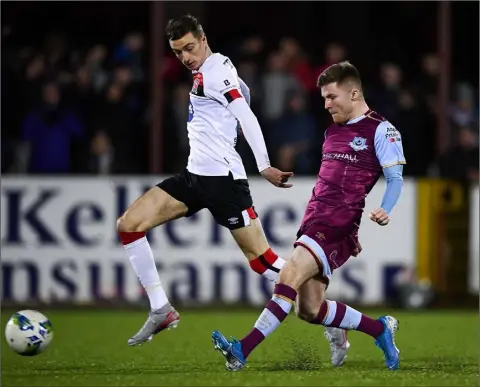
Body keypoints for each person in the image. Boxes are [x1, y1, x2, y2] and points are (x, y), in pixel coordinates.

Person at [212, 61, 406, 371]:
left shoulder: (381, 129)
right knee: (309, 309)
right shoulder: (331, 132)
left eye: (332, 97)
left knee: (288, 276)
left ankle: (241, 350)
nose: (327, 105)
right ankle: (379, 329)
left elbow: (395, 178)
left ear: (354, 93)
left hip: (338, 224)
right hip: (314, 220)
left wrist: (386, 207)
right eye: (324, 99)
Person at [117, 14, 294, 346]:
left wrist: (265, 165)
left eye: (188, 48)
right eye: (177, 52)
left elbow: (246, 114)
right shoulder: (218, 67)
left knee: (264, 263)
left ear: (202, 39)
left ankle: (328, 314)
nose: (185, 57)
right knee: (128, 225)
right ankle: (160, 309)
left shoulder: (214, 74)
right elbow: (244, 92)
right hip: (196, 177)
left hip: (224, 182)